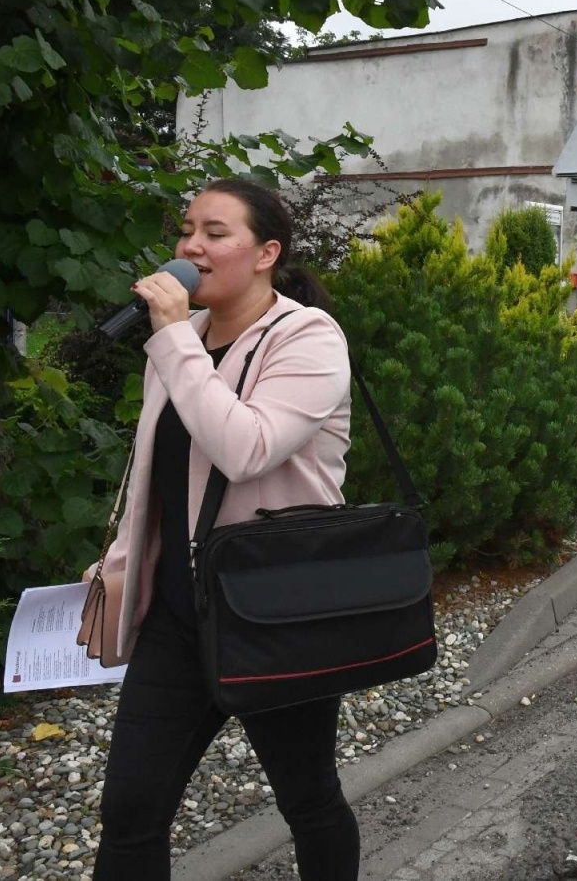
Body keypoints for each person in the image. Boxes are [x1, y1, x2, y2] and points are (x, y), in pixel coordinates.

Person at [86, 179, 359, 880]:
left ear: (266, 253)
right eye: (186, 231)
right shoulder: (183, 343)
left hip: (275, 611)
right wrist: (120, 561)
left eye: (214, 233)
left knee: (308, 797)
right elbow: (161, 476)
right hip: (181, 615)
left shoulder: (307, 337)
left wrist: (174, 338)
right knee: (130, 812)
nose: (190, 247)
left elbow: (245, 448)